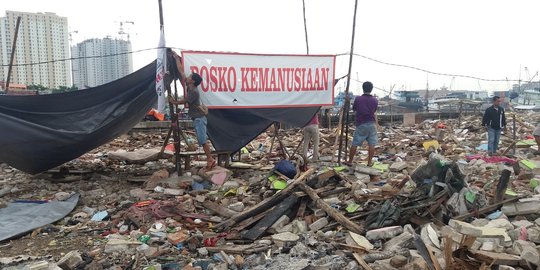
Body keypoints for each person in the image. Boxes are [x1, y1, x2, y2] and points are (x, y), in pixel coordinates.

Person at [169, 51, 216, 169]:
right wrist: (176, 58)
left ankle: (210, 160)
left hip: (199, 118)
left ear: (193, 81)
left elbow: (184, 101)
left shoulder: (194, 92)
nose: (188, 77)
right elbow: (181, 72)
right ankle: (210, 159)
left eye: (190, 77)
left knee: (202, 140)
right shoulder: (189, 86)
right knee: (201, 140)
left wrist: (173, 102)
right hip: (198, 118)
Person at [345, 81, 379, 167]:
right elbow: (374, 110)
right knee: (372, 144)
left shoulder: (358, 99)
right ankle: (369, 162)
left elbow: (354, 109)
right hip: (372, 123)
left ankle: (350, 161)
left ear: (363, 89)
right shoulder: (375, 100)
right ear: (371, 89)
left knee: (355, 143)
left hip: (361, 123)